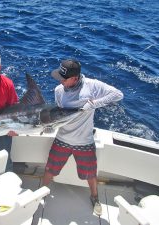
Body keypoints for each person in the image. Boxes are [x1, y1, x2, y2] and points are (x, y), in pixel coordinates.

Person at [42, 59, 123, 216]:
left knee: (91, 175)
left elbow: (118, 94)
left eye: (64, 78)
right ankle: (41, 193)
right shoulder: (59, 90)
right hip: (62, 139)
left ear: (75, 77)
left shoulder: (92, 85)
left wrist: (95, 104)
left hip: (84, 141)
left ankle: (94, 197)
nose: (61, 81)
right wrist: (50, 126)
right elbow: (60, 113)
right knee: (49, 169)